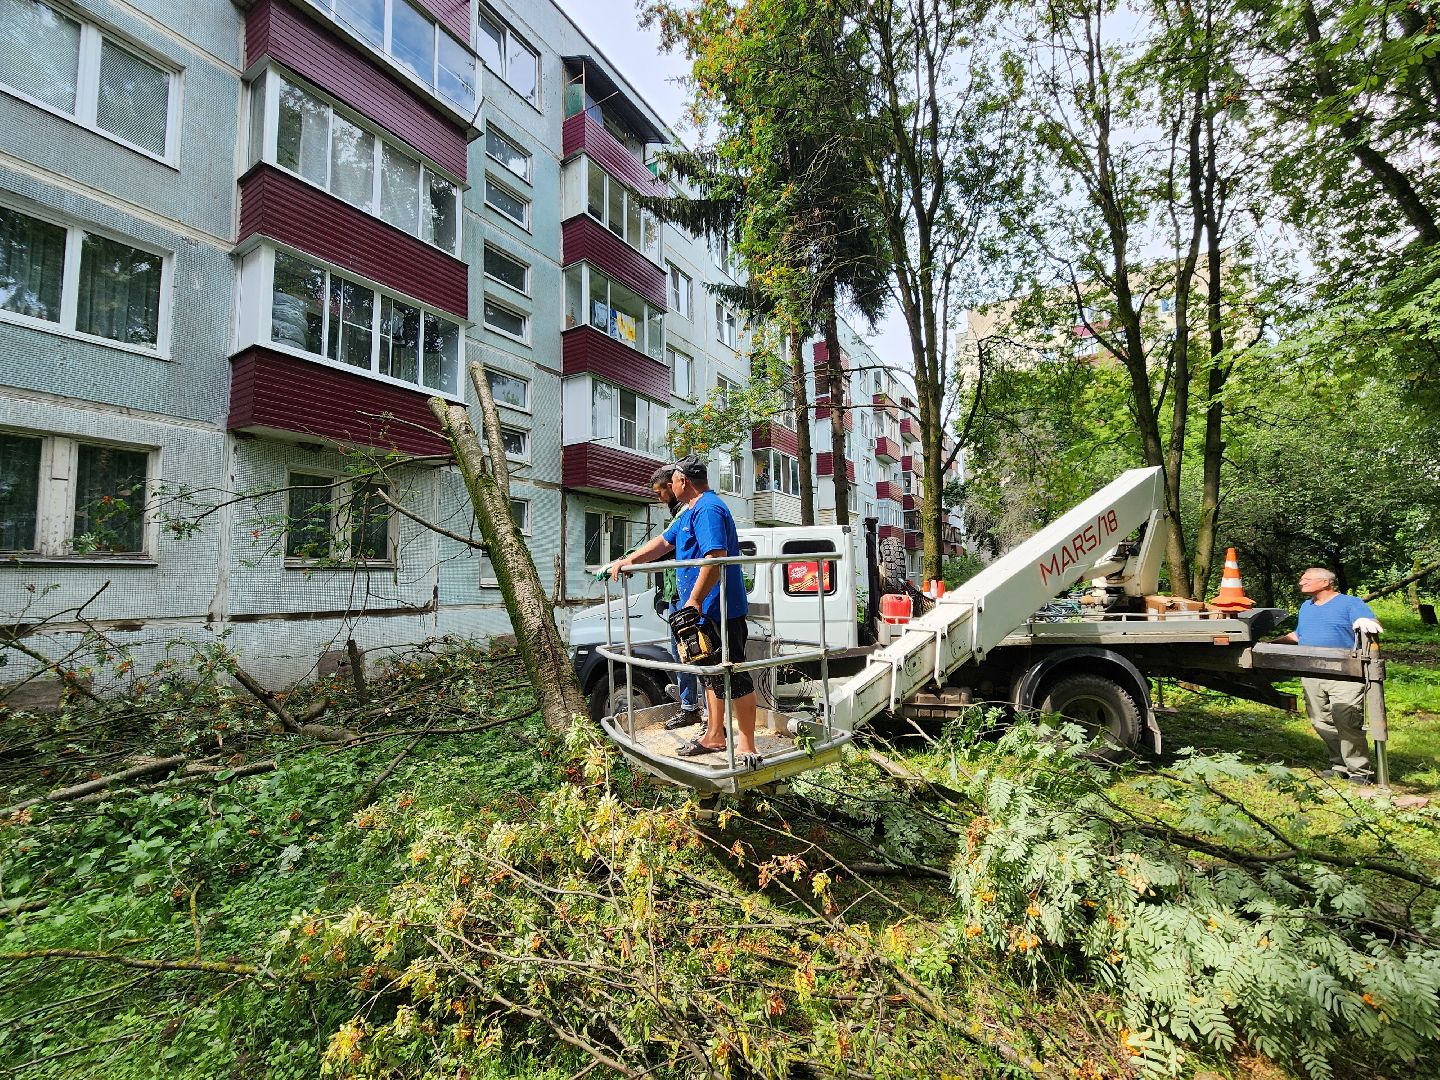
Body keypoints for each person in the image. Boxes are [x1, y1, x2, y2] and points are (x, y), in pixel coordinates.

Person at [604, 456, 761, 766]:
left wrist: (696, 600)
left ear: (683, 482)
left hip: (720, 609)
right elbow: (662, 544)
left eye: (673, 480)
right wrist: (628, 562)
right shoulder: (689, 511)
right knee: (711, 675)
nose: (670, 485)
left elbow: (715, 557)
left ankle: (747, 745)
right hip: (704, 611)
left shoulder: (708, 509)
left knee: (734, 674)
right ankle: (715, 735)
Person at [1275, 567, 1383, 783]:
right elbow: (1299, 635)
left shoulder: (1350, 603)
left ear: (1325, 582)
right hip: (1312, 672)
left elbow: (1372, 623)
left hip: (1344, 674)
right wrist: (1271, 644)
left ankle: (1360, 772)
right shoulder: (1306, 606)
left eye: (1307, 579)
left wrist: (1366, 624)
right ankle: (1339, 764)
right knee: (1320, 721)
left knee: (1347, 721)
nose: (1301, 582)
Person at [647, 463, 702, 731]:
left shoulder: (689, 512)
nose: (658, 498)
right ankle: (689, 707)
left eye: (659, 493)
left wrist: (627, 560)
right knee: (680, 653)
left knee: (697, 653)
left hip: (690, 598)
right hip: (675, 595)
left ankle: (702, 711)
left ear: (673, 486)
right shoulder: (677, 514)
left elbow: (667, 548)